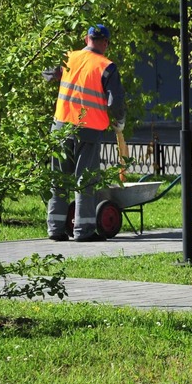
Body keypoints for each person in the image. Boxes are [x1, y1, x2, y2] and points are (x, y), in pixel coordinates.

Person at [45, 24, 126, 242]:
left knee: (59, 178)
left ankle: (55, 228)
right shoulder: (106, 66)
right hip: (88, 130)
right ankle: (84, 230)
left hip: (60, 127)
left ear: (85, 38)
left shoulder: (68, 58)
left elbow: (47, 73)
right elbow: (115, 101)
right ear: (106, 43)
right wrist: (119, 121)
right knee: (85, 180)